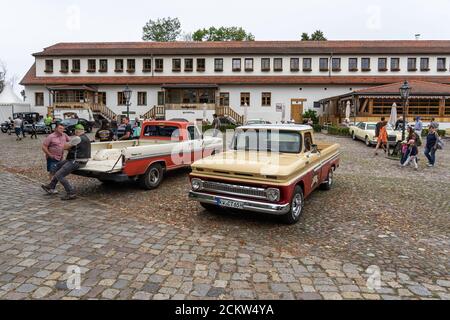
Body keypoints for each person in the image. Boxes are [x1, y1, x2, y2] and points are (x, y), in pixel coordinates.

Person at [41, 124, 91, 200]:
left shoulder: (77, 138)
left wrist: (67, 145)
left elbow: (65, 147)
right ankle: (51, 186)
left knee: (59, 174)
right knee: (57, 166)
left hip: (76, 161)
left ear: (76, 131)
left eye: (75, 130)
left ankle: (71, 193)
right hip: (76, 159)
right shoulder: (86, 137)